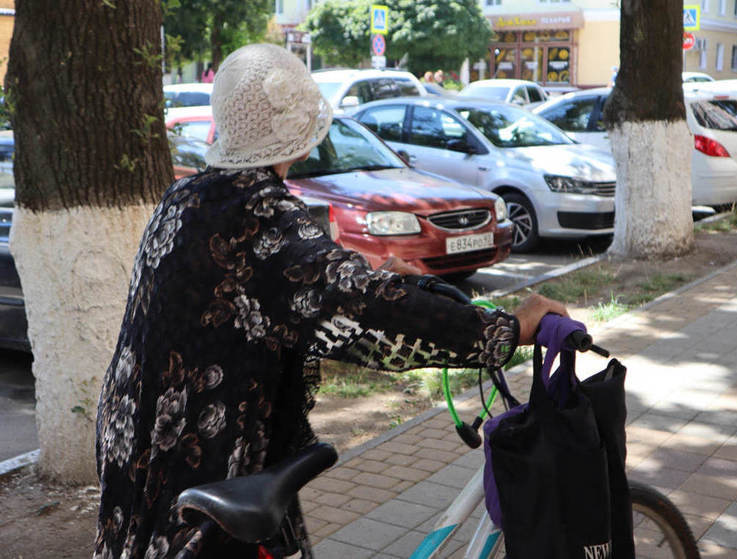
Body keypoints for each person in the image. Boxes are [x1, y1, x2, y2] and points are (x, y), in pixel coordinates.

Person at [94, 43, 567, 559]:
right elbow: (352, 301)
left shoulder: (185, 198)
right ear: (296, 134)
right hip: (208, 458)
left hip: (133, 436)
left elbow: (288, 289)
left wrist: (375, 278)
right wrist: (506, 329)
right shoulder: (264, 214)